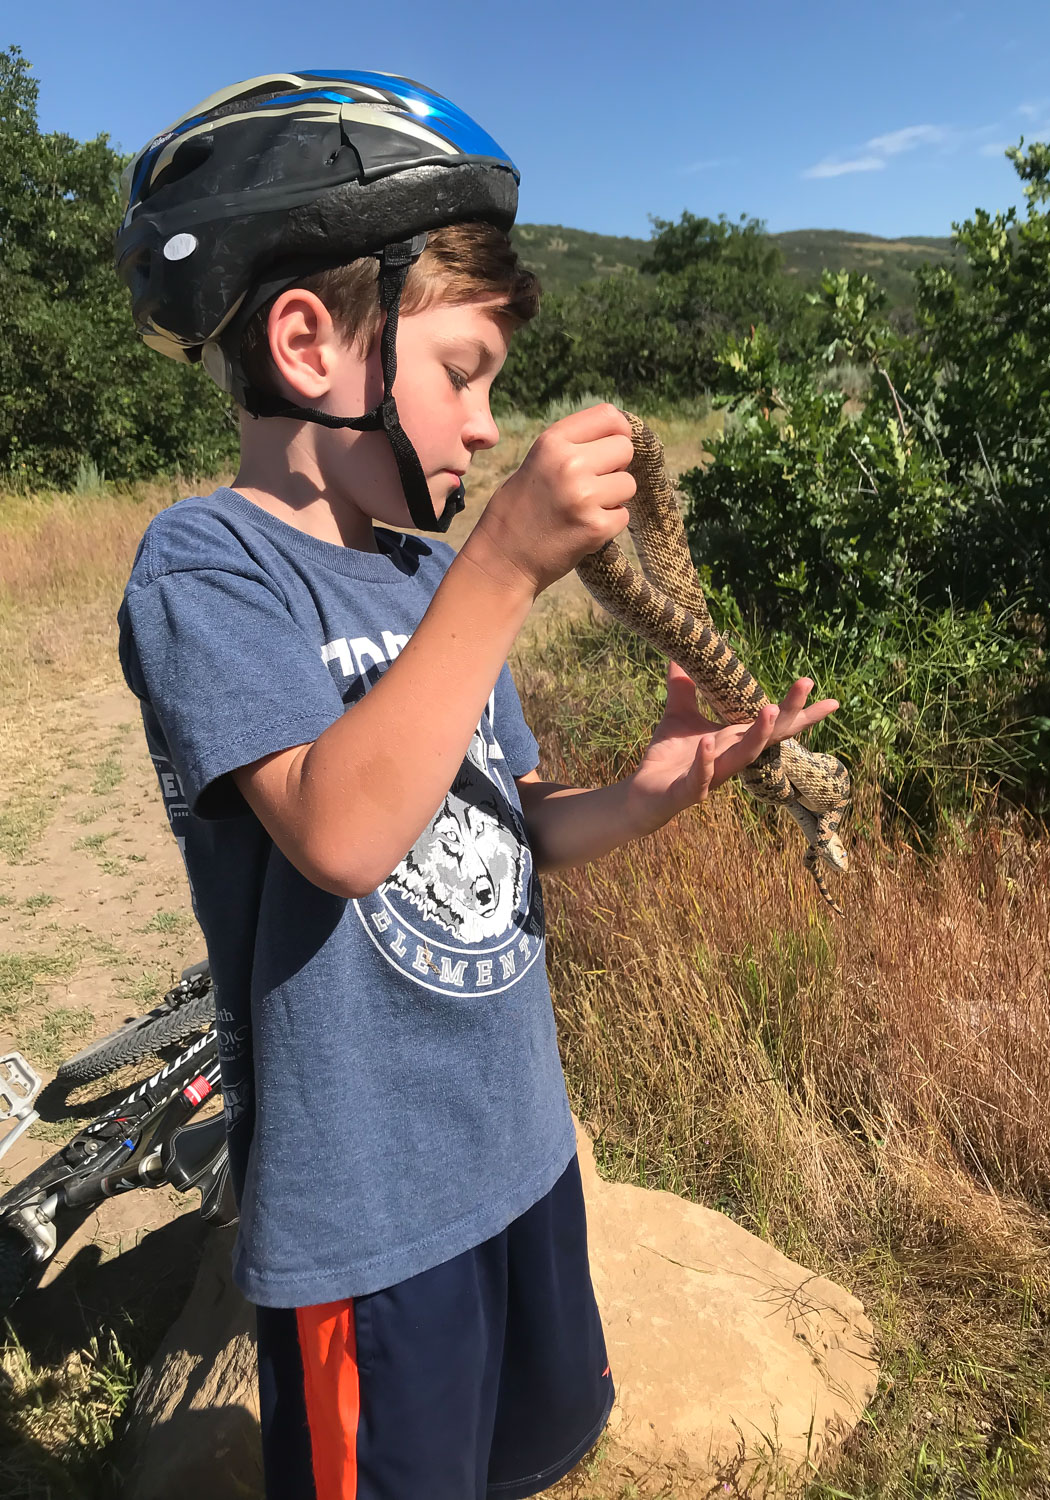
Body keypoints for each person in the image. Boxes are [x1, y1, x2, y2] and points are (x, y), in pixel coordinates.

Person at [115, 70, 838, 1500]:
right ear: (310, 341)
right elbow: (339, 834)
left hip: (516, 1152)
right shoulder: (208, 569)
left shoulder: (436, 578)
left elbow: (512, 832)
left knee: (521, 1459)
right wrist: (507, 561)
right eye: (462, 372)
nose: (487, 425)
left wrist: (652, 790)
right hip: (367, 1218)